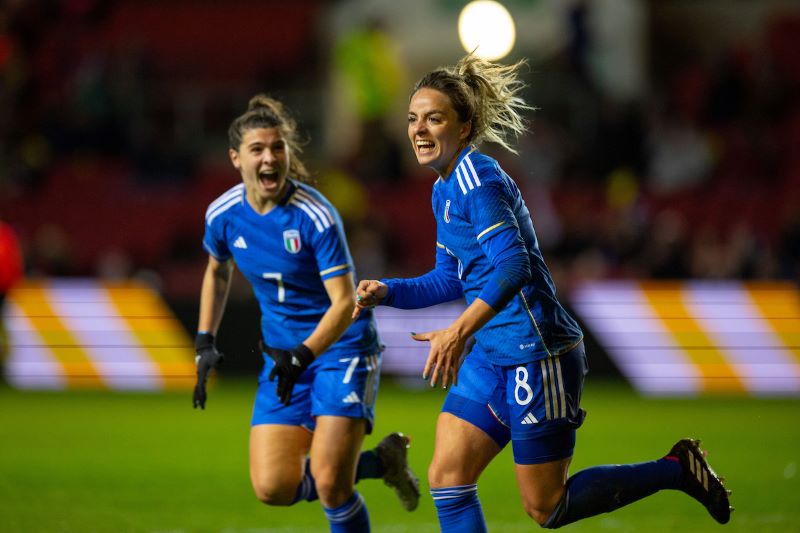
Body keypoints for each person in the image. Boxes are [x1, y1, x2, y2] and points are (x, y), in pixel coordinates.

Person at [354, 55, 733, 531]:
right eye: (413, 118)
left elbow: (513, 266)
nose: (419, 129)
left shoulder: (480, 181)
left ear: (465, 127)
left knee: (546, 507)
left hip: (538, 353)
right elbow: (450, 278)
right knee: (448, 476)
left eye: (434, 118)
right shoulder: (443, 188)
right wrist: (387, 291)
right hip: (492, 354)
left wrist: (457, 330)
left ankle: (676, 470)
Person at [194, 94, 420, 532]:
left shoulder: (316, 216)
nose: (269, 158)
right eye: (257, 149)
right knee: (273, 487)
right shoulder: (222, 215)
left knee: (332, 484)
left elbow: (344, 302)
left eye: (277, 148)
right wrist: (205, 340)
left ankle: (358, 472)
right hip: (284, 356)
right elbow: (216, 272)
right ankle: (381, 463)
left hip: (340, 348)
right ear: (236, 158)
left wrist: (304, 354)